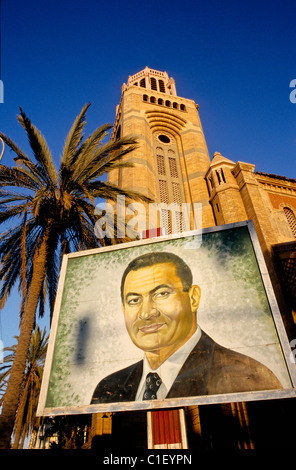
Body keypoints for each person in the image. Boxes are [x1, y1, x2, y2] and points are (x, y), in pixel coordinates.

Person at [91, 252, 282, 404]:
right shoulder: (108, 388)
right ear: (123, 309)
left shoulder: (247, 377)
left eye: (161, 294)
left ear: (193, 298)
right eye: (134, 300)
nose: (146, 313)